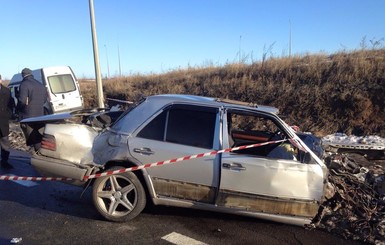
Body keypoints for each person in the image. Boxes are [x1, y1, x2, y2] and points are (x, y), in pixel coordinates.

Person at [17, 68, 47, 151]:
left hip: (28, 116)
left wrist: (18, 110)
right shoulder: (40, 84)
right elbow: (44, 100)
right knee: (39, 137)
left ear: (23, 75)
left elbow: (22, 101)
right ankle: (42, 154)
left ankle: (39, 158)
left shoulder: (24, 84)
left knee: (33, 139)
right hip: (40, 115)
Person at [0, 74, 15, 168]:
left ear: (0, 80)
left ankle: (4, 161)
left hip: (3, 121)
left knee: (4, 141)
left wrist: (8, 115)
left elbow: (11, 105)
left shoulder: (7, 91)